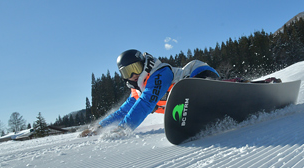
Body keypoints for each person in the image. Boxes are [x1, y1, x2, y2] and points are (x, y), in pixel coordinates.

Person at [80, 49, 219, 136]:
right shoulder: (137, 91)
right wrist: (99, 127)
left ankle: (227, 87)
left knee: (204, 81)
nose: (133, 74)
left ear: (144, 64)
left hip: (198, 72)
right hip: (191, 104)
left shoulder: (159, 73)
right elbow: (123, 112)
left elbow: (146, 103)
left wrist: (123, 129)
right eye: (127, 72)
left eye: (135, 68)